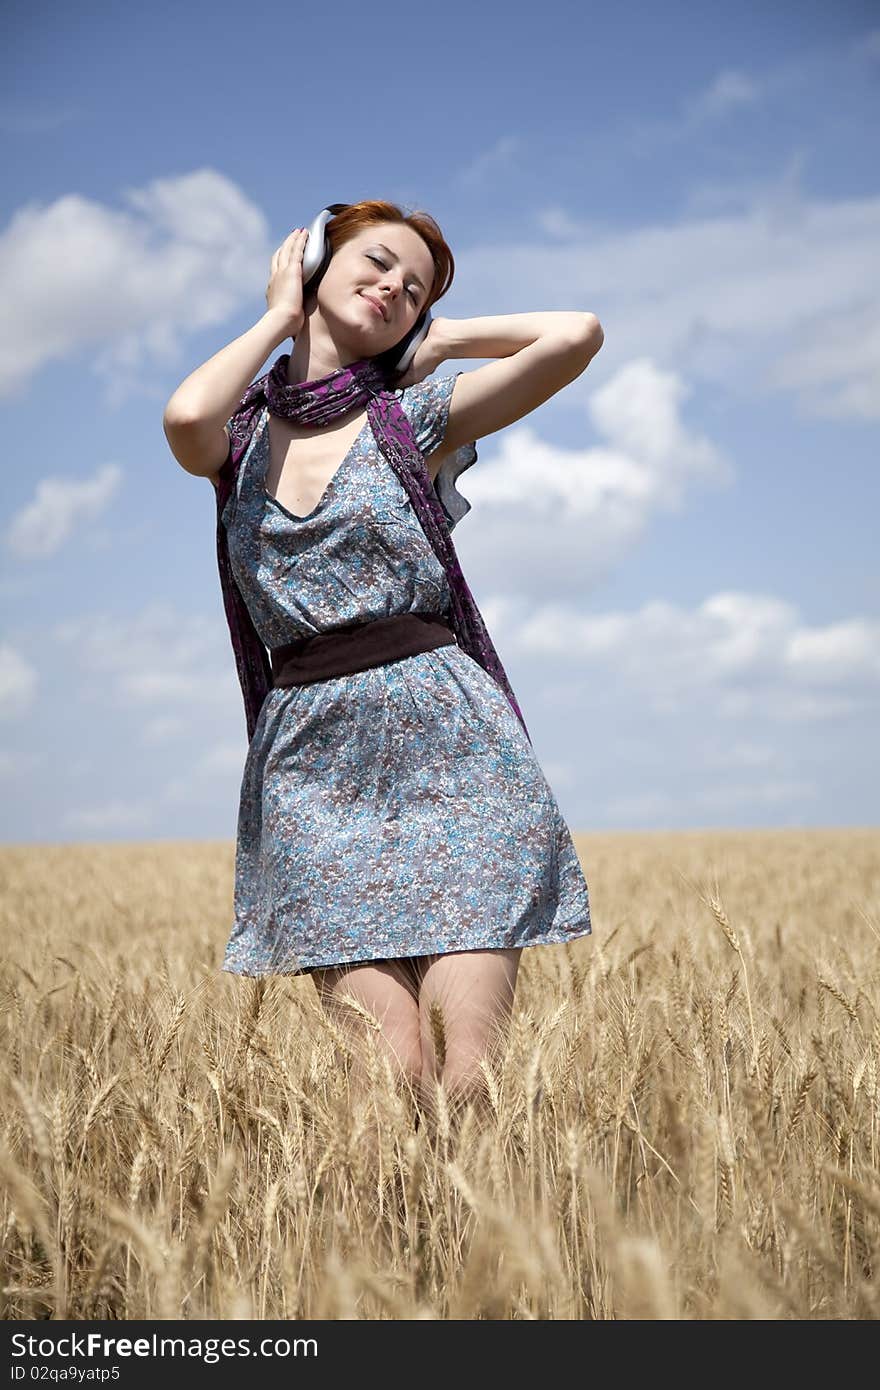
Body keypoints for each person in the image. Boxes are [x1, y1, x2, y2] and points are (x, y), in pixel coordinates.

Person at [163, 199, 604, 1130]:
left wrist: (440, 342)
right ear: (315, 262)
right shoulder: (234, 444)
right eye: (373, 263)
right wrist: (280, 318)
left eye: (413, 288)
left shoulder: (416, 419)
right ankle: (380, 1272)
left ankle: (485, 1270)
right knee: (387, 1080)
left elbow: (575, 336)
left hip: (456, 755)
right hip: (312, 772)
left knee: (466, 1075)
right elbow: (185, 415)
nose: (393, 288)